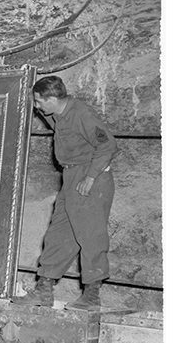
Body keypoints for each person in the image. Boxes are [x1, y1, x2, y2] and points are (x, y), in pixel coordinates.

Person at [12, 75, 118, 310]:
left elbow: (108, 145)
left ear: (52, 99)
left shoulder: (82, 114)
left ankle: (92, 296)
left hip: (90, 177)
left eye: (39, 102)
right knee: (58, 232)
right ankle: (44, 290)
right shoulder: (56, 114)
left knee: (90, 235)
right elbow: (56, 124)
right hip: (70, 177)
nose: (36, 107)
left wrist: (91, 176)